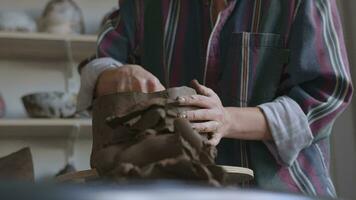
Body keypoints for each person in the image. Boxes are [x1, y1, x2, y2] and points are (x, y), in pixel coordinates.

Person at [77, 0, 353, 197]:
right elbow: (99, 65)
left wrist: (228, 120)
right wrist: (111, 76)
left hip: (281, 187)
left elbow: (326, 94)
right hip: (171, 187)